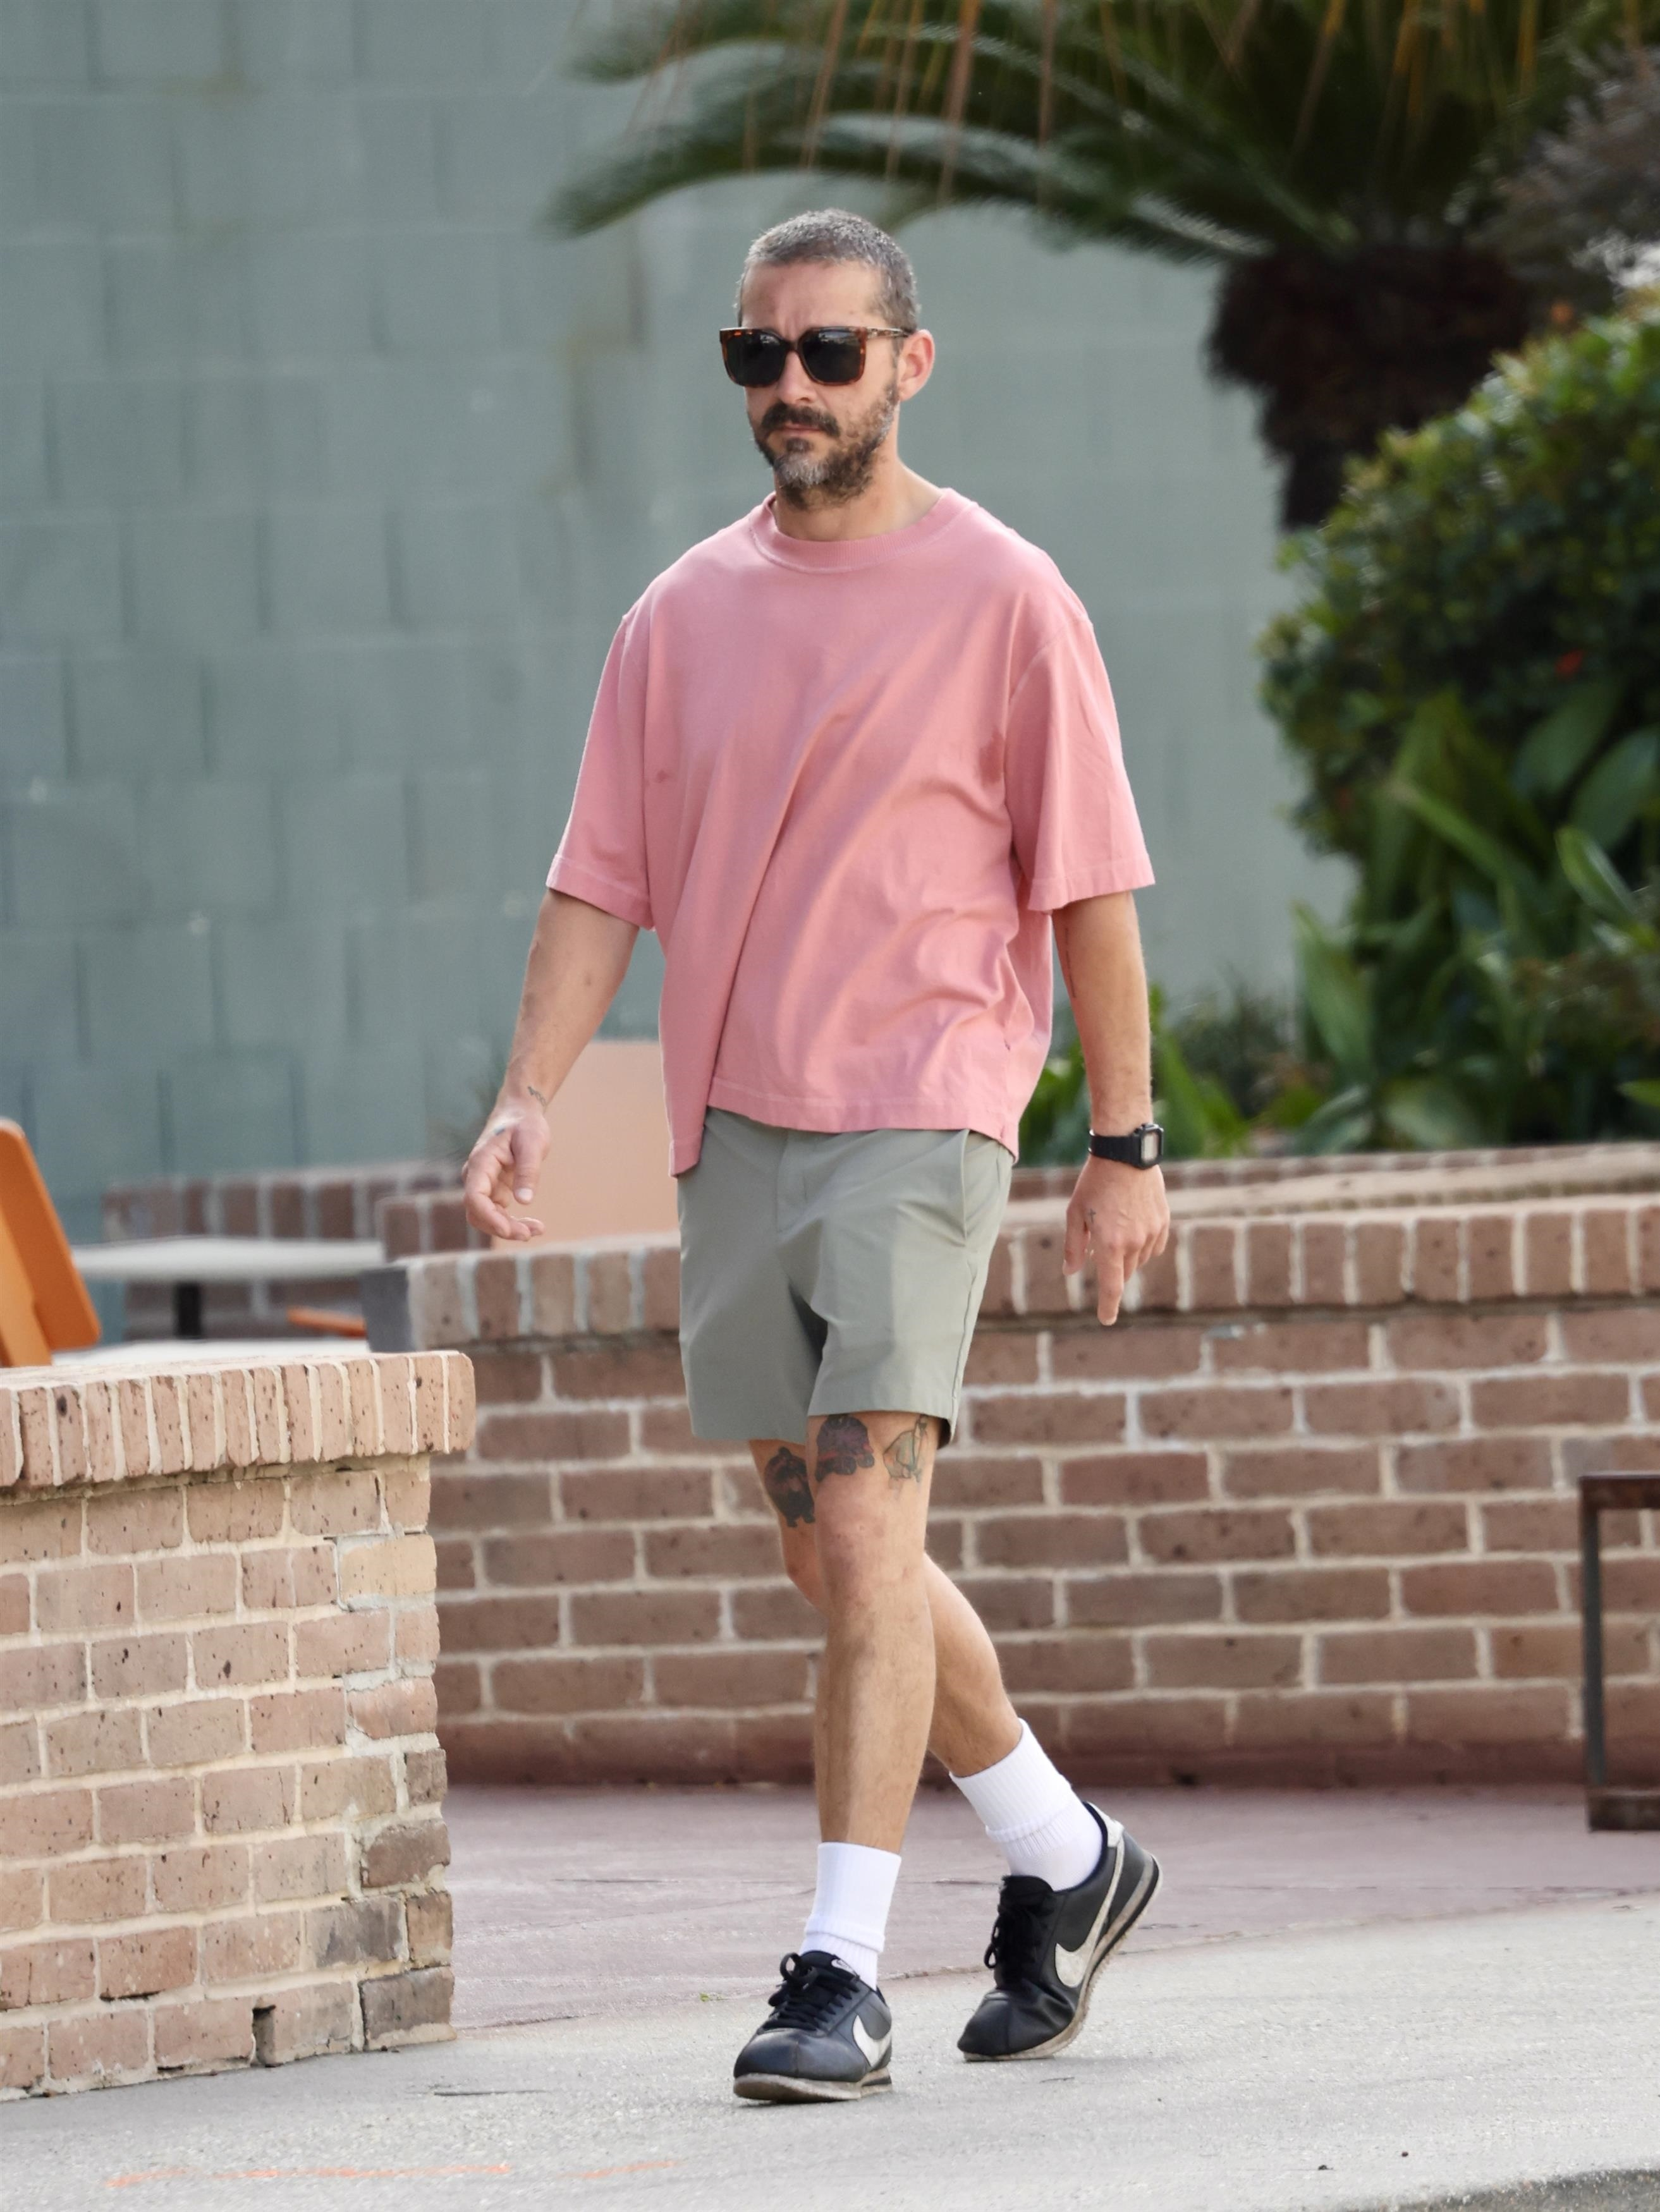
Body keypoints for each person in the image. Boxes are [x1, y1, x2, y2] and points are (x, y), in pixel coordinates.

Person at [463, 209, 1170, 2105]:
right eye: (754, 356)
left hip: (928, 1106)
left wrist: (1124, 1137)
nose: (787, 388)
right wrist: (529, 1091)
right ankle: (1066, 1851)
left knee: (867, 1526)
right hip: (738, 1124)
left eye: (827, 355)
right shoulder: (677, 615)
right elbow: (595, 883)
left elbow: (1090, 890)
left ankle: (839, 1969)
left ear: (909, 365)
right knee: (827, 1553)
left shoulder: (1012, 595)